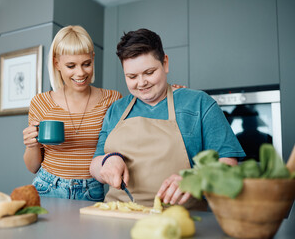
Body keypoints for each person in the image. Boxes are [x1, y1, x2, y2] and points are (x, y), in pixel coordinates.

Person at [90, 28, 245, 209]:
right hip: (118, 216)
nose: (141, 83)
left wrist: (195, 179)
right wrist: (107, 161)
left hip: (180, 219)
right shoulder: (116, 109)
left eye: (149, 72)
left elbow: (229, 167)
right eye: (132, 76)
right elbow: (94, 165)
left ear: (165, 63)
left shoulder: (199, 103)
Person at [22, 25, 122, 202]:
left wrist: (169, 94)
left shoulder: (112, 99)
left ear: (93, 58)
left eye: (86, 64)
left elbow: (135, 127)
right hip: (48, 186)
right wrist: (32, 144)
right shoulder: (40, 102)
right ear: (56, 63)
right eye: (71, 66)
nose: (80, 73)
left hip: (92, 189)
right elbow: (32, 167)